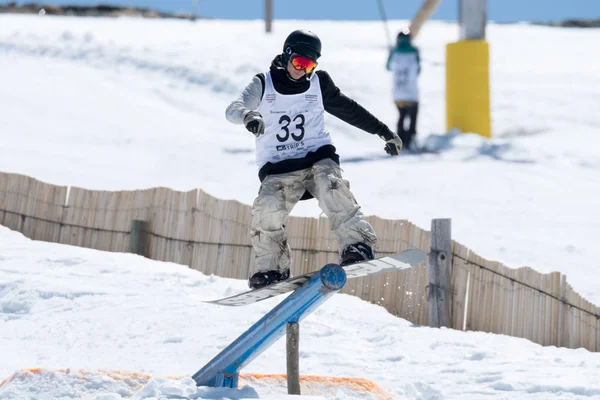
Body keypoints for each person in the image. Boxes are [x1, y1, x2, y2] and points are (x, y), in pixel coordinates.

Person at [226, 29, 402, 289]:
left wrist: (383, 132)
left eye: (309, 65)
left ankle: (357, 245)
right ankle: (272, 270)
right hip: (279, 167)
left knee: (331, 185)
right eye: (298, 62)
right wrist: (248, 116)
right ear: (287, 55)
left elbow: (348, 109)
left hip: (317, 157)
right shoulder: (264, 83)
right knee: (266, 210)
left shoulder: (318, 84)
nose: (302, 70)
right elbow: (234, 108)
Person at [386, 28, 421, 151]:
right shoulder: (414, 52)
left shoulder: (394, 52)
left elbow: (388, 67)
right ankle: (410, 139)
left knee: (401, 116)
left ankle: (400, 140)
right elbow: (418, 70)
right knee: (412, 117)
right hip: (411, 92)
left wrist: (391, 52)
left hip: (398, 93)